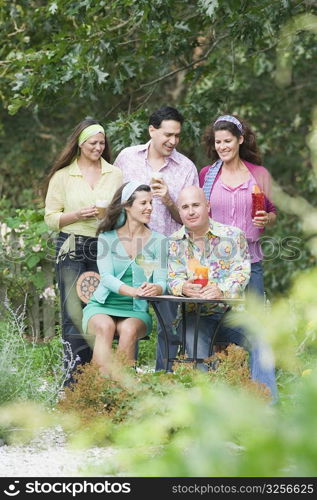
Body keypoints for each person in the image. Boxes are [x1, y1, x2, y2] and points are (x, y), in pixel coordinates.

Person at [168, 186, 277, 401]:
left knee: (261, 337)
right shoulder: (174, 242)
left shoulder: (233, 235)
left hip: (230, 314)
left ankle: (267, 408)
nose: (191, 212)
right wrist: (182, 287)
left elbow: (242, 272)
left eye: (196, 205)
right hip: (195, 317)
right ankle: (208, 411)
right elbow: (172, 277)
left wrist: (221, 290)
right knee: (197, 351)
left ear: (207, 206)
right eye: (185, 207)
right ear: (179, 212)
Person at [114, 106, 199, 370]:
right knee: (128, 321)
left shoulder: (186, 167)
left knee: (170, 326)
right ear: (152, 130)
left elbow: (190, 218)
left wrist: (168, 199)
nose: (173, 141)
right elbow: (114, 201)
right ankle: (125, 384)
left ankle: (166, 382)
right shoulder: (127, 158)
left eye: (177, 136)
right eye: (167, 135)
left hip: (169, 255)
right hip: (128, 252)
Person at [199, 114, 278, 398]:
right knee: (214, 327)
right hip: (215, 266)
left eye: (228, 141)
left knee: (258, 330)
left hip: (252, 262)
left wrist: (265, 219)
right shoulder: (207, 175)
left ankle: (264, 400)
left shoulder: (259, 174)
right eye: (218, 142)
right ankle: (218, 397)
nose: (222, 146)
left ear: (240, 140)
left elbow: (272, 213)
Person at [44, 118, 123, 382]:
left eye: (102, 143)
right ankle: (73, 383)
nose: (98, 147)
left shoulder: (115, 174)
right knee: (73, 314)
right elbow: (51, 218)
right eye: (93, 142)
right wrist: (77, 214)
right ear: (80, 144)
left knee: (100, 311)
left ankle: (97, 380)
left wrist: (110, 216)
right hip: (72, 245)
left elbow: (122, 214)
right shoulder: (63, 176)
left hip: (104, 246)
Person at [82, 182, 167, 374]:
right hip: (101, 305)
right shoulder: (107, 237)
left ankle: (122, 395)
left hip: (135, 310)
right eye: (143, 203)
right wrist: (133, 291)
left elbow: (162, 281)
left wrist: (157, 289)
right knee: (105, 326)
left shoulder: (159, 241)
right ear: (127, 206)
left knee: (128, 330)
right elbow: (106, 277)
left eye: (151, 203)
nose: (150, 208)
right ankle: (96, 394)